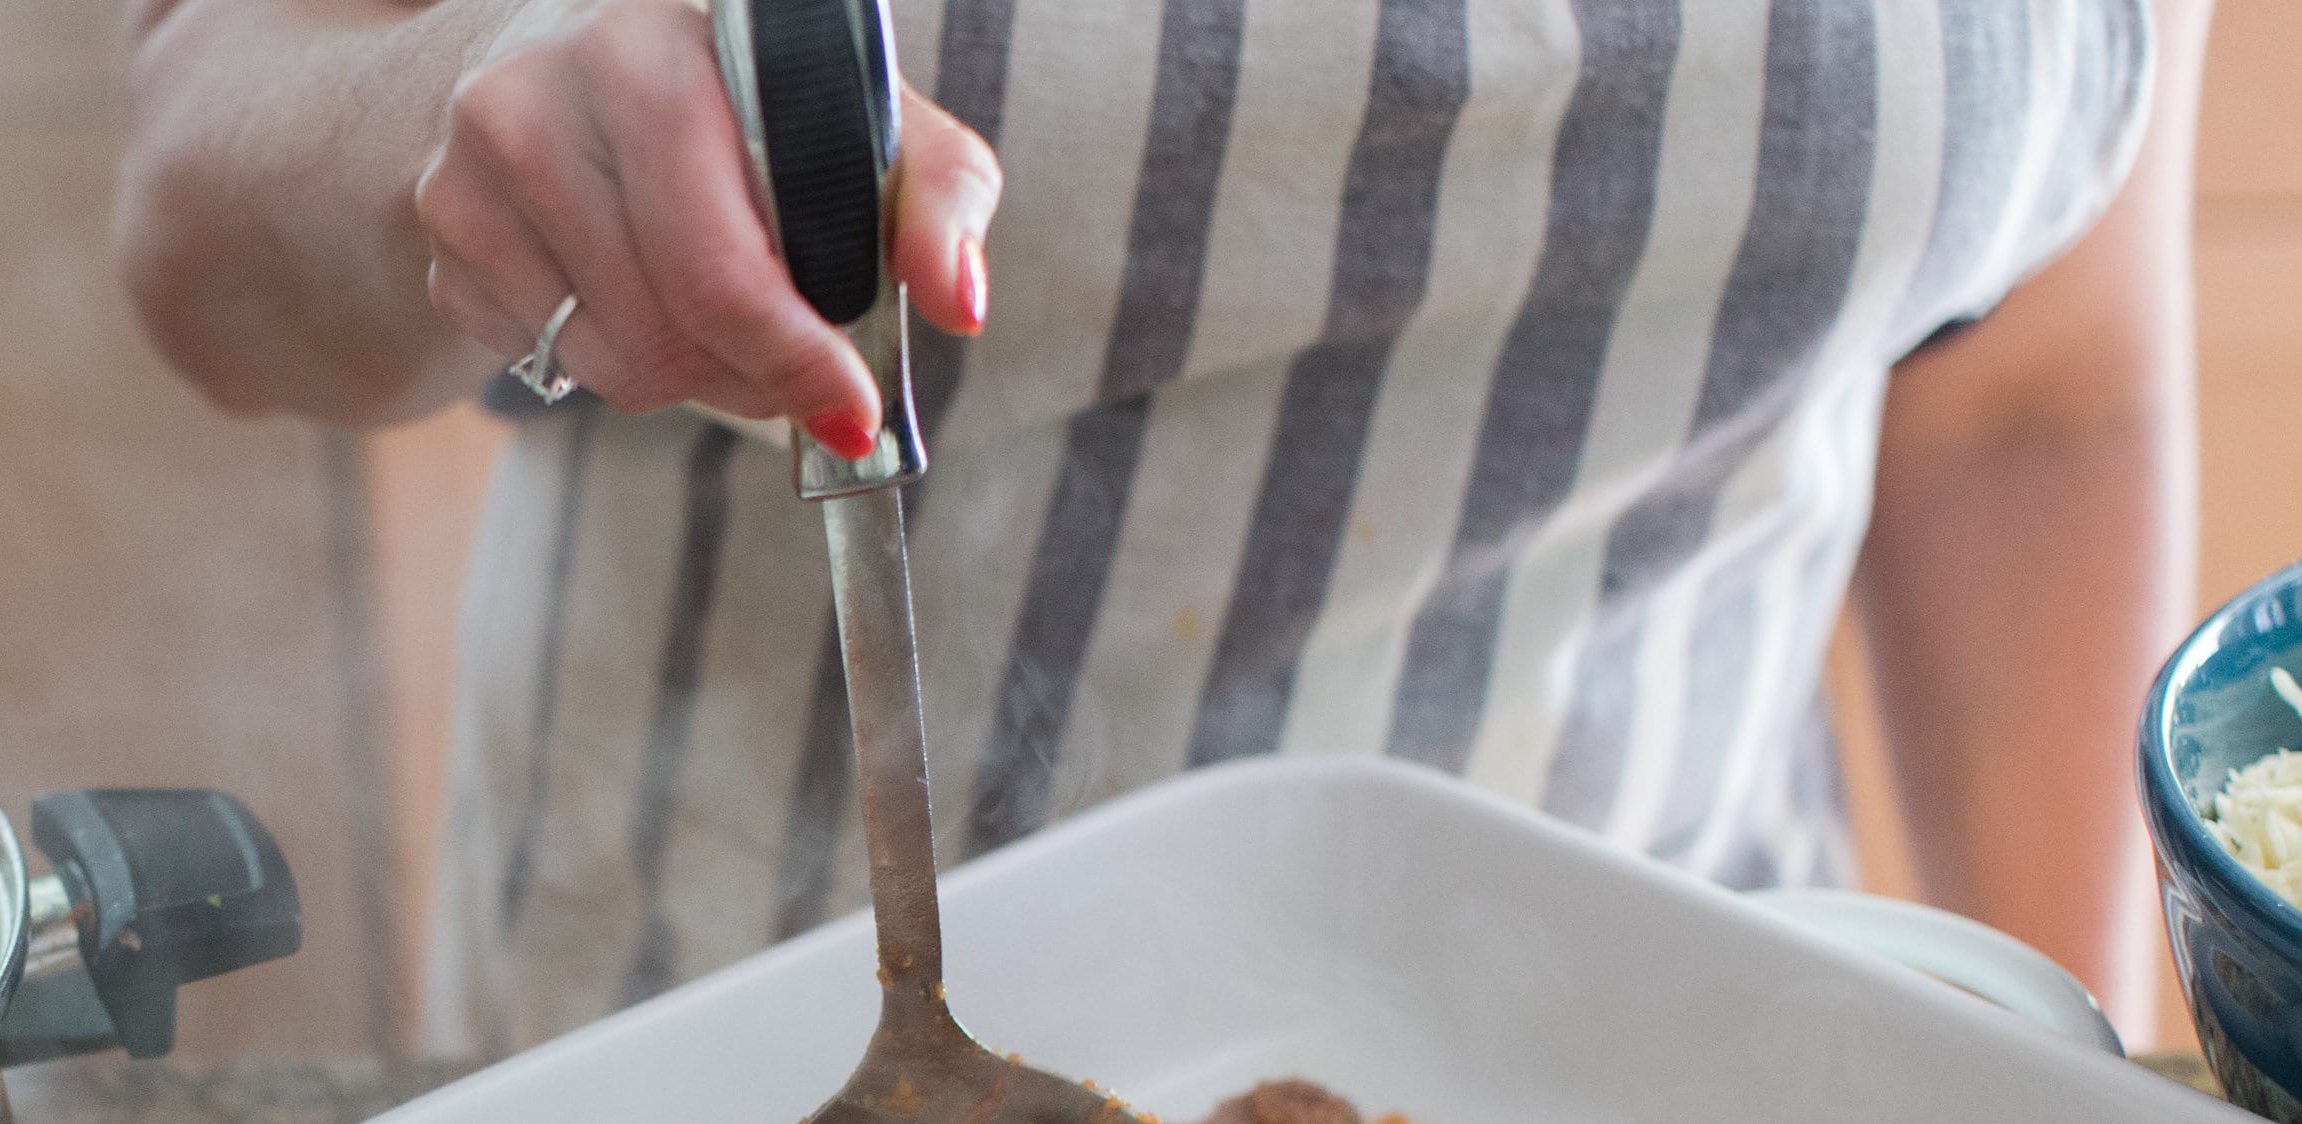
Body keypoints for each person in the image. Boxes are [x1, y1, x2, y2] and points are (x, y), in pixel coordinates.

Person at [113, 0, 2206, 1054]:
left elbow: (2031, 394)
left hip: (1691, 1104)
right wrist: (456, 115)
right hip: (733, 1101)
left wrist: (2067, 1113)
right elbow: (202, 217)